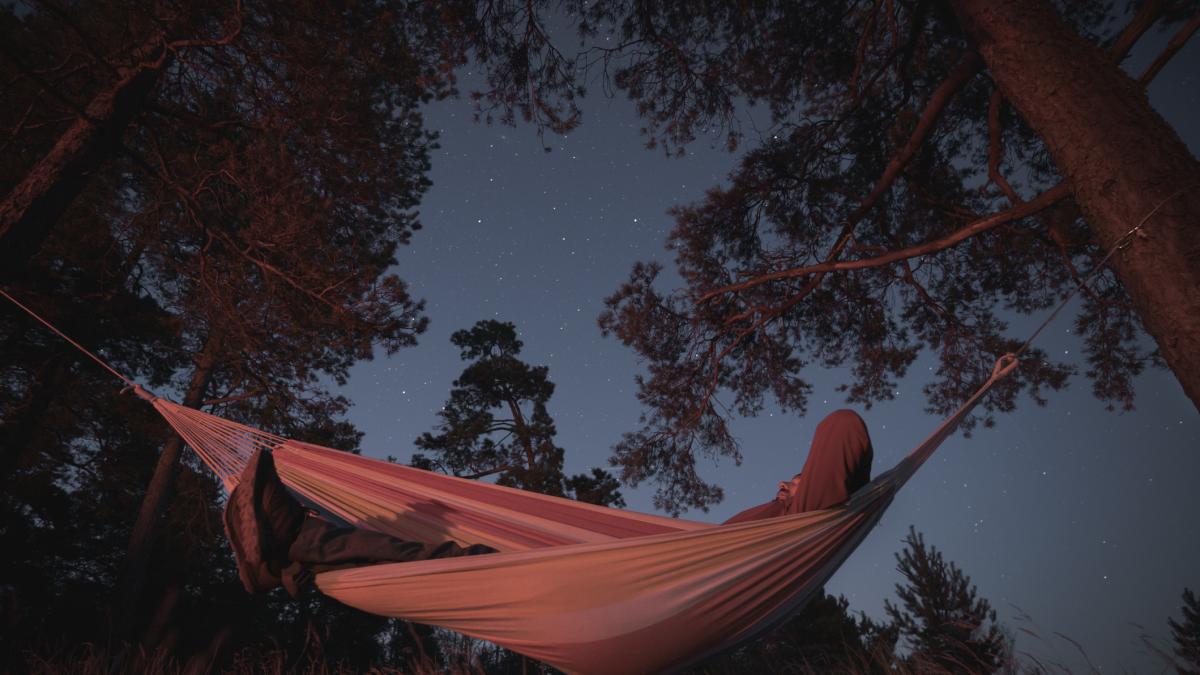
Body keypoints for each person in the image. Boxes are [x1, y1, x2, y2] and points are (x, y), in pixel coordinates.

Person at [223, 448, 495, 596]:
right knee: (384, 549)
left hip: (301, 544)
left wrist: (475, 555)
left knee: (381, 556)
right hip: (305, 543)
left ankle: (273, 557)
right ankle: (271, 564)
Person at [724, 409, 873, 524]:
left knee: (841, 421)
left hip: (797, 523)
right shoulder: (766, 511)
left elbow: (844, 423)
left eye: (796, 482)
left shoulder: (802, 511)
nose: (782, 483)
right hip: (715, 548)